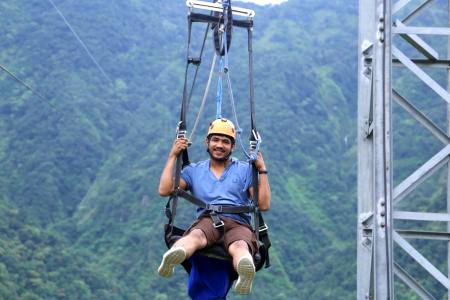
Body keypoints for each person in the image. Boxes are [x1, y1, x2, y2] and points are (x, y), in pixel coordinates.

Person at [158, 118, 270, 295]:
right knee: (196, 236)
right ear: (207, 142)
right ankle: (176, 253)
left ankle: (245, 270)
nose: (220, 145)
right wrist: (173, 155)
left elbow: (263, 204)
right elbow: (164, 190)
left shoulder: (244, 170)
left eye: (226, 142)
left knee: (240, 245)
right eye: (215, 140)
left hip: (238, 222)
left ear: (232, 147)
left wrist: (262, 170)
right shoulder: (194, 171)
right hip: (208, 219)